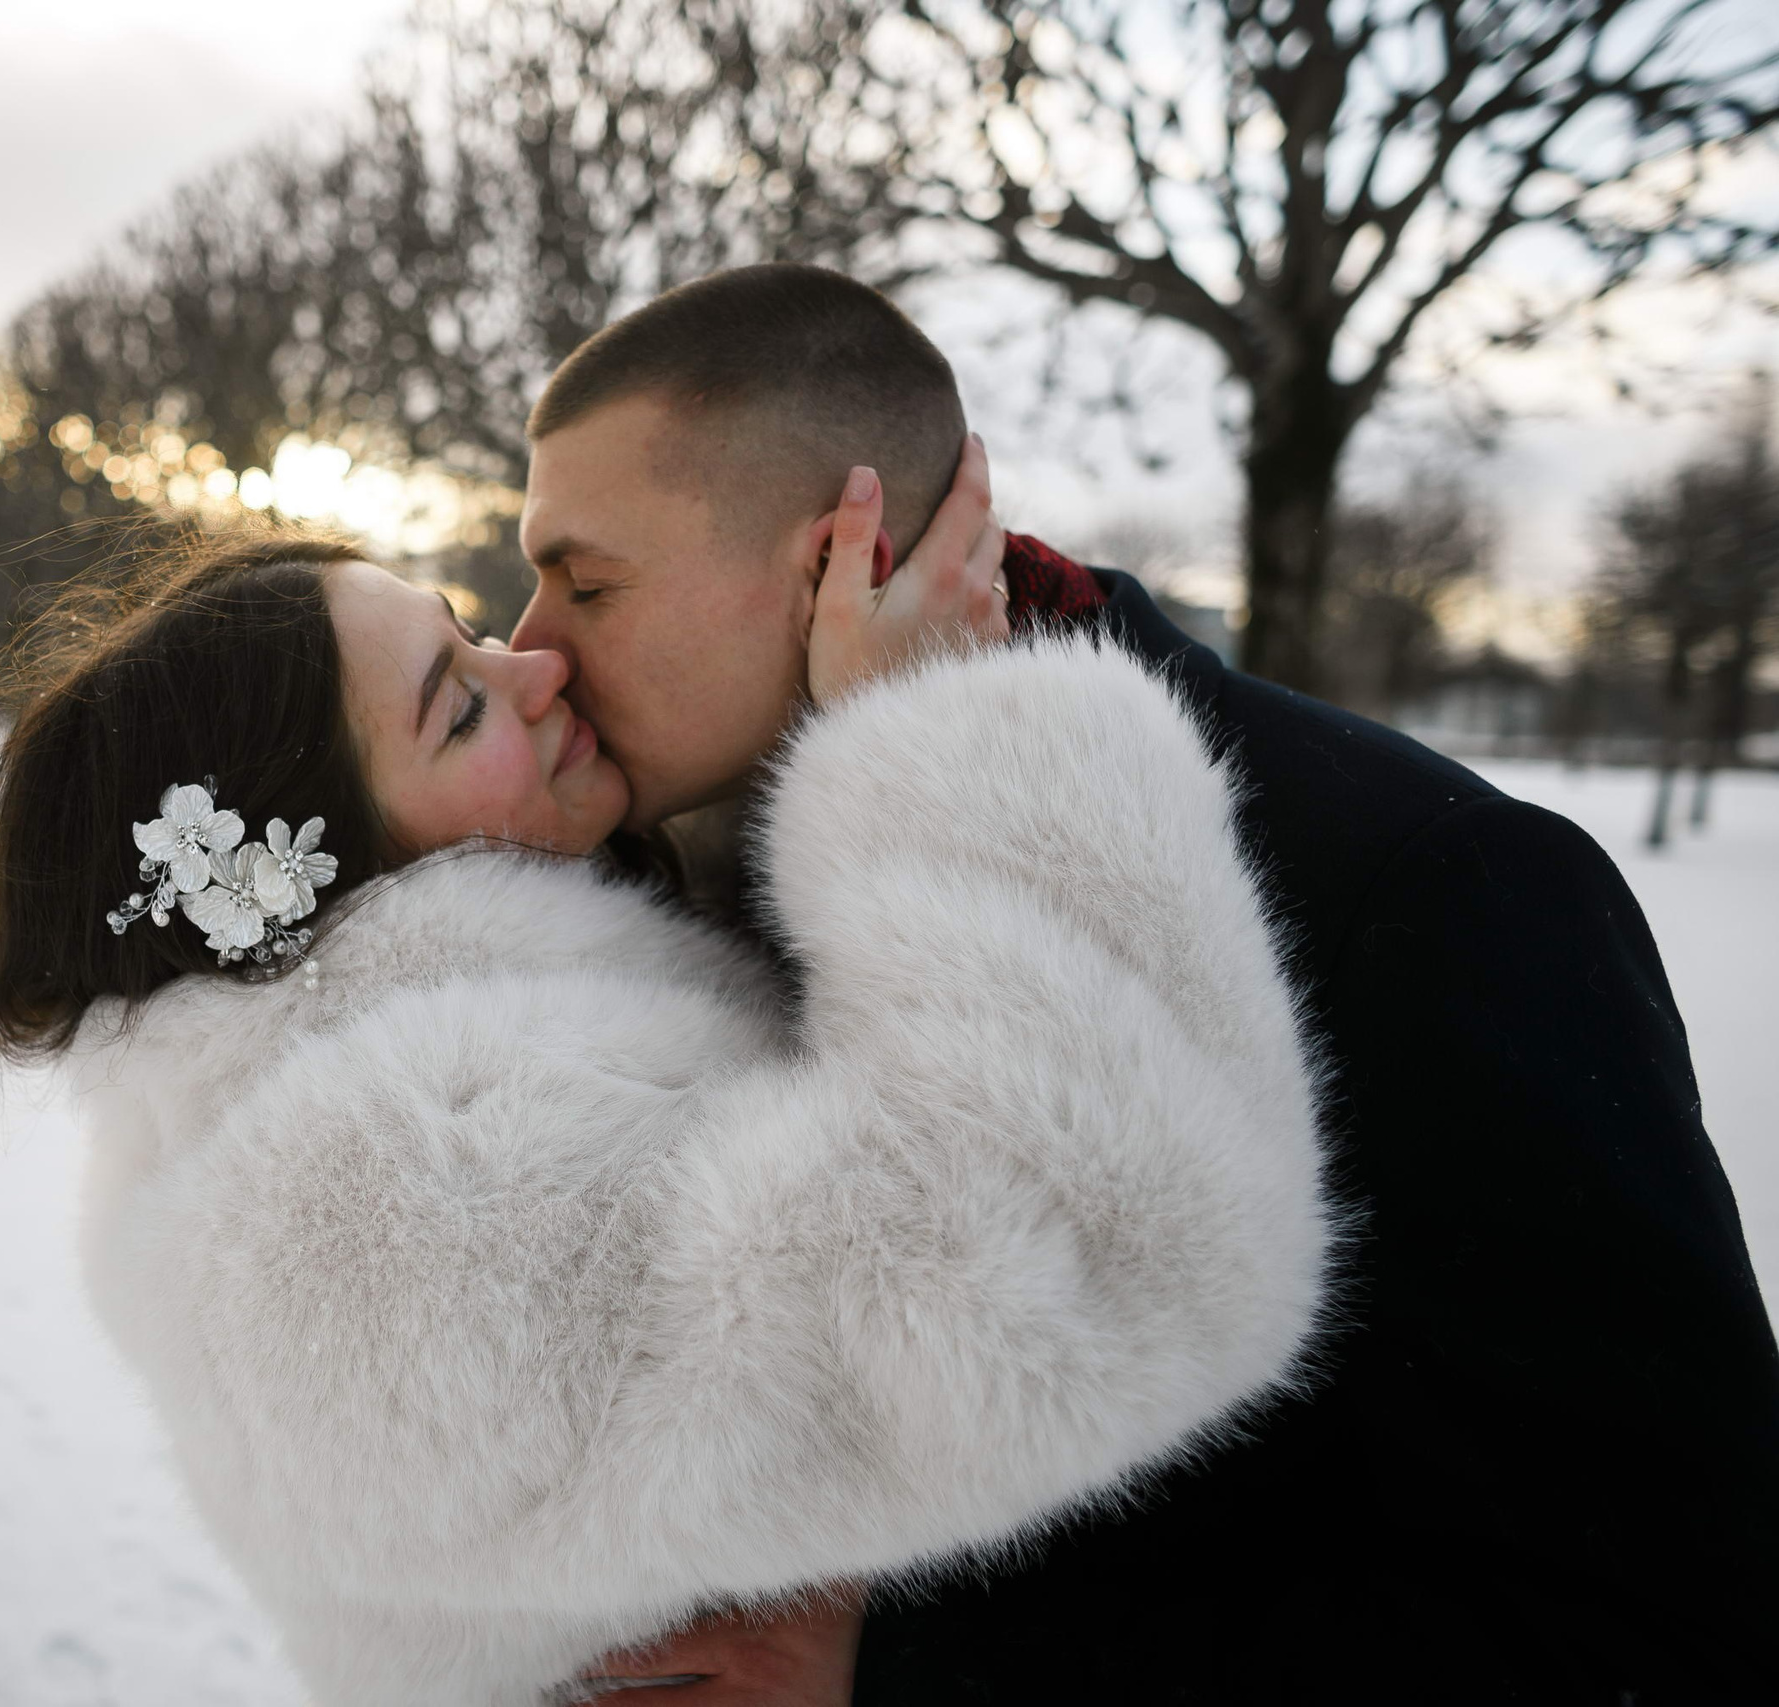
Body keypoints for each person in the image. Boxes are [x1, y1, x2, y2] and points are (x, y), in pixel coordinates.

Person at [517, 263, 1779, 1703]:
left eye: (585, 581)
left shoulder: (1425, 884)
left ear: (835, 565)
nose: (531, 645)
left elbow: (1663, 1631)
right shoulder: (656, 881)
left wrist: (929, 1666)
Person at [0, 471, 1333, 1703]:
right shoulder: (405, 1190)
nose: (537, 667)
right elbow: (1102, 1268)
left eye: (471, 630)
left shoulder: (301, 1106)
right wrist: (942, 726)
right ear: (339, 878)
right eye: (459, 707)